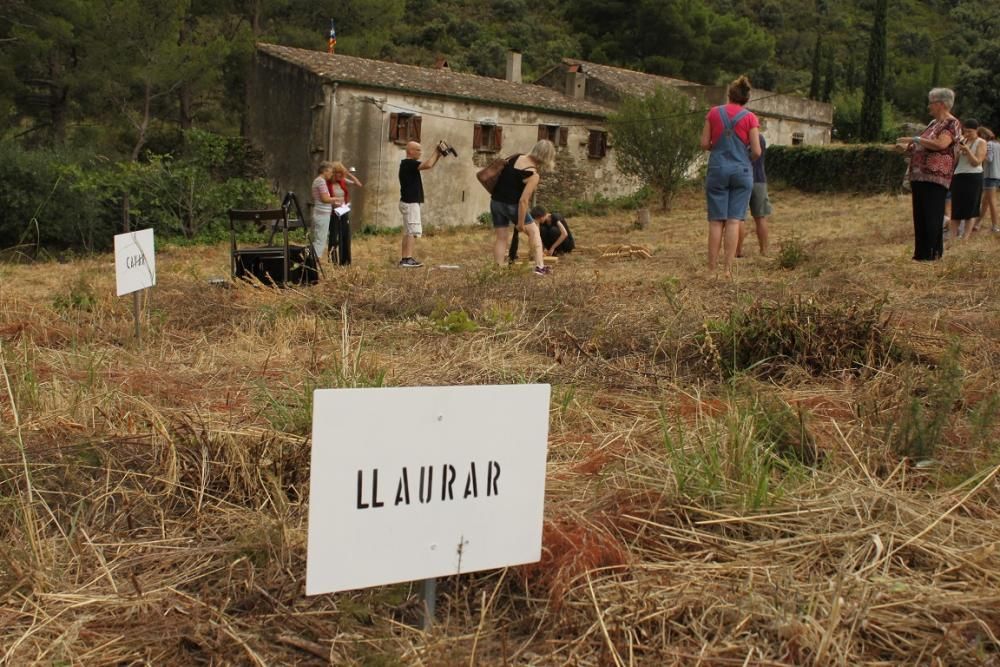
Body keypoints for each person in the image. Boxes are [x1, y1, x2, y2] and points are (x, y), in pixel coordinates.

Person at [700, 75, 762, 277]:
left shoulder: (713, 113)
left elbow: (703, 144)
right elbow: (757, 151)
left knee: (717, 221)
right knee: (734, 221)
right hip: (741, 171)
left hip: (718, 169)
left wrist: (715, 147)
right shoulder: (750, 118)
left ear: (730, 94)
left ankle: (711, 269)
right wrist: (744, 159)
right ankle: (727, 269)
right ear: (746, 98)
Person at [896, 88, 961, 261]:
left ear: (941, 104)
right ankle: (921, 254)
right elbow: (925, 145)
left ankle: (933, 255)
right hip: (920, 176)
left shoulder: (951, 123)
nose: (929, 106)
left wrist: (915, 139)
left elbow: (941, 144)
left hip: (936, 177)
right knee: (921, 216)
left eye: (931, 103)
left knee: (932, 215)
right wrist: (909, 147)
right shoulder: (933, 123)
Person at [490, 140, 556, 275]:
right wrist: (520, 224)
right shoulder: (532, 173)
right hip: (512, 205)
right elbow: (523, 201)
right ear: (547, 157)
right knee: (534, 232)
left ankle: (497, 270)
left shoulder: (514, 157)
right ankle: (539, 267)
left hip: (496, 202)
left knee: (501, 237)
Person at [398, 141, 442, 267]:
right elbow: (428, 164)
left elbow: (430, 164)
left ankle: (405, 258)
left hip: (407, 201)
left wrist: (438, 155)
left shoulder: (406, 164)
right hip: (411, 203)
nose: (420, 152)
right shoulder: (409, 163)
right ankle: (408, 258)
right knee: (412, 231)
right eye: (417, 150)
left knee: (407, 232)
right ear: (410, 151)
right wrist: (436, 151)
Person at [949, 118, 986, 239]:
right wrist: (957, 151)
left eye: (970, 131)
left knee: (970, 207)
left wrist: (968, 150)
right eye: (965, 131)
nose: (967, 134)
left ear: (976, 130)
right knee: (956, 207)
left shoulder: (981, 142)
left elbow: (976, 162)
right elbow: (955, 162)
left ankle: (966, 236)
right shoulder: (963, 140)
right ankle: (953, 236)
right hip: (959, 175)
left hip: (973, 176)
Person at [737, 133, 771, 257]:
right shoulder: (760, 137)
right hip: (759, 180)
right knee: (761, 217)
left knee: (739, 218)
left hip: (741, 178)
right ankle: (764, 250)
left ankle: (737, 252)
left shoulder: (738, 138)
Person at [327, 162, 362, 265]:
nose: (339, 175)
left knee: (345, 236)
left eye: (341, 173)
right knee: (333, 237)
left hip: (343, 210)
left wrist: (348, 173)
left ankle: (345, 261)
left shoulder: (342, 181)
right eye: (337, 173)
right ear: (333, 173)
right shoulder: (328, 183)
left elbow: (358, 184)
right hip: (333, 213)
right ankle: (333, 261)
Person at [509, 207, 574, 260]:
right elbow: (540, 237)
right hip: (554, 246)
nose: (537, 222)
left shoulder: (555, 216)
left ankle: (560, 251)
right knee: (542, 230)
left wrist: (552, 248)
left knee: (553, 230)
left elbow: (564, 234)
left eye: (538, 220)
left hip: (566, 244)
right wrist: (540, 251)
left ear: (541, 217)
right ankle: (555, 251)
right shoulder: (543, 223)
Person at [311, 161, 336, 261]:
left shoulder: (318, 181)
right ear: (324, 171)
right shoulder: (320, 181)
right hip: (322, 215)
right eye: (330, 171)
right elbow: (325, 199)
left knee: (319, 238)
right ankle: (314, 261)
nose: (331, 174)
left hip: (320, 214)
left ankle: (312, 259)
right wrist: (335, 199)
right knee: (320, 240)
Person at [978, 126, 999, 232]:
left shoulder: (989, 144)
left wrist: (980, 155)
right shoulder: (997, 144)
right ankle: (977, 223)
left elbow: (989, 159)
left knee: (991, 201)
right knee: (985, 201)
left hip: (990, 176)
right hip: (996, 176)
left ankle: (995, 226)